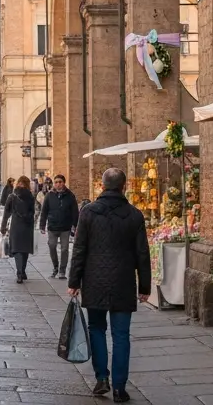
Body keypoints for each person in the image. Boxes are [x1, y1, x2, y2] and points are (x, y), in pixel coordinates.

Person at [67, 167, 151, 403]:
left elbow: (80, 250)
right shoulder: (135, 215)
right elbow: (142, 254)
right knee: (121, 334)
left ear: (102, 186)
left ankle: (102, 378)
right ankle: (119, 388)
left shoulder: (88, 212)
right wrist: (145, 287)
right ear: (123, 186)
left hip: (94, 280)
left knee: (97, 330)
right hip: (123, 282)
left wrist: (74, 281)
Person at [39, 174, 78, 279]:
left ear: (64, 183)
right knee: (52, 246)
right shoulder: (49, 195)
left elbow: (75, 211)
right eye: (56, 182)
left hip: (65, 227)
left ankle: (62, 270)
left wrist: (76, 225)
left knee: (65, 249)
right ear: (54, 184)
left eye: (60, 182)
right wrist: (42, 225)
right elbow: (44, 211)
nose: (58, 184)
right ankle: (55, 267)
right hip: (52, 226)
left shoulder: (70, 195)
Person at [0, 176, 37, 283]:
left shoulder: (12, 196)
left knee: (17, 249)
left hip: (16, 225)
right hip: (27, 225)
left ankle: (20, 273)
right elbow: (33, 211)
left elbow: (6, 213)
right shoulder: (30, 196)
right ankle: (22, 271)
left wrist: (3, 226)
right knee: (24, 250)